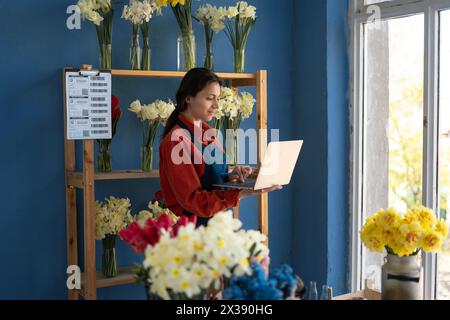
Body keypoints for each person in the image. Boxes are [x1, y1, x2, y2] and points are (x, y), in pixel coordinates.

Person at [158, 68, 281, 226]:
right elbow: (195, 201)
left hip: (217, 227)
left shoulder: (209, 133)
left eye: (218, 98)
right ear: (188, 98)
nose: (216, 105)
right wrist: (243, 193)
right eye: (210, 98)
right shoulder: (176, 141)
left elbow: (210, 180)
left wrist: (233, 176)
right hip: (194, 234)